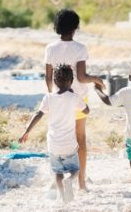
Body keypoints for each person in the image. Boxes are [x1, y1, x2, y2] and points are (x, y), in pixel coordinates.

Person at [43, 8, 105, 191]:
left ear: (57, 26)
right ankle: (81, 182)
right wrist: (97, 79)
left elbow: (48, 77)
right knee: (80, 139)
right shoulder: (80, 49)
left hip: (57, 99)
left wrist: (52, 95)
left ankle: (58, 178)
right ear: (75, 28)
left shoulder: (50, 48)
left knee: (59, 137)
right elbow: (82, 77)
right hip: (77, 98)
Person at [21, 64, 89, 203]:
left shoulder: (48, 98)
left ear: (55, 81)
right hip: (69, 144)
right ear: (71, 81)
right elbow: (86, 111)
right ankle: (69, 180)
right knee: (75, 169)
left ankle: (63, 197)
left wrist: (27, 131)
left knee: (57, 172)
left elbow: (38, 114)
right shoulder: (74, 97)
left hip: (53, 144)